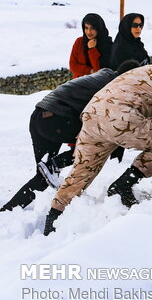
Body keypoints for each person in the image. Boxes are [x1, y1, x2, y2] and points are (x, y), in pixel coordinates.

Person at [43, 46, 152, 235]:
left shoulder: (143, 72)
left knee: (82, 171)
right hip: (120, 117)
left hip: (93, 116)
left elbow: (145, 116)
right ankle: (123, 186)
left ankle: (52, 220)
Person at [0, 60, 139, 212]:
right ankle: (55, 164)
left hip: (39, 117)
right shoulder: (114, 87)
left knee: (44, 176)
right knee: (94, 146)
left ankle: (8, 210)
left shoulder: (103, 75)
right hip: (57, 119)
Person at [69, 13, 114, 78]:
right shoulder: (79, 42)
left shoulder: (108, 45)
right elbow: (73, 65)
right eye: (86, 28)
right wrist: (90, 71)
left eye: (92, 28)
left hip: (98, 84)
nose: (89, 32)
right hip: (78, 84)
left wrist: (92, 49)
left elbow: (100, 71)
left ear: (98, 29)